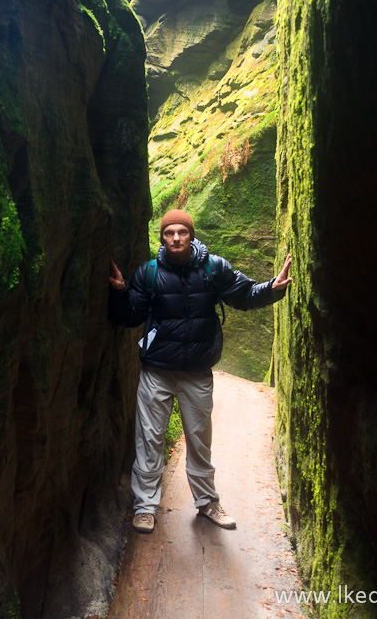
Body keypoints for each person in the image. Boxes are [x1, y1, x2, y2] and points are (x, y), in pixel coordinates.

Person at [108, 209, 292, 533]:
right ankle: (145, 507)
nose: (176, 238)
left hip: (197, 372)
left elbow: (244, 295)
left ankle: (207, 502)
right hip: (157, 371)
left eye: (181, 232)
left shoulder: (213, 268)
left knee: (199, 441)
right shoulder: (149, 273)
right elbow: (130, 316)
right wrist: (121, 292)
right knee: (148, 440)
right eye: (169, 233)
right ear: (162, 237)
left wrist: (273, 289)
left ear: (191, 234)